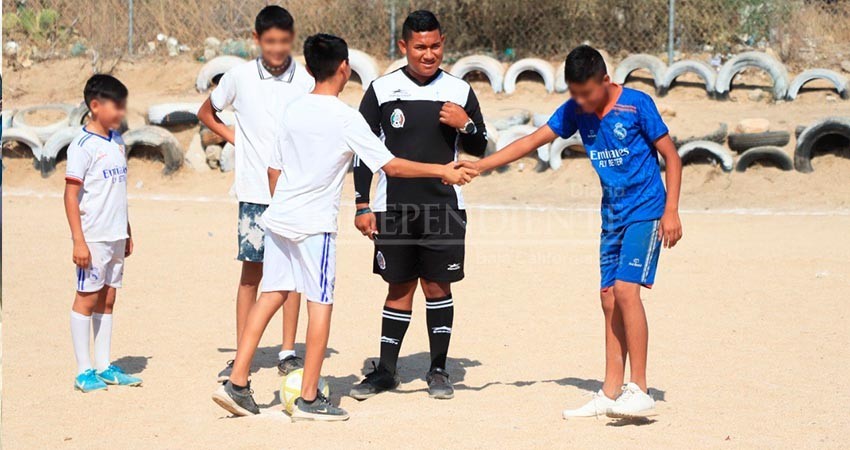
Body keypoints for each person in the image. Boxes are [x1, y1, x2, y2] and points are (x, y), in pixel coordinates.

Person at [210, 33, 479, 421]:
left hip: (279, 219)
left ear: (308, 69)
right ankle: (308, 398)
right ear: (344, 69)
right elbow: (391, 166)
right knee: (320, 304)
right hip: (314, 226)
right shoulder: (346, 118)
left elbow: (273, 169)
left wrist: (286, 205)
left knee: (270, 295)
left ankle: (237, 384)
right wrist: (442, 170)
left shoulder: (292, 109)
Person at [459, 45, 683, 418]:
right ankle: (611, 392)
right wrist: (481, 167)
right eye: (574, 93)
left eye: (586, 93)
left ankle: (641, 389)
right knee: (608, 297)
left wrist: (671, 210)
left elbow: (672, 157)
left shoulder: (637, 105)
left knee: (626, 291)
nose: (580, 101)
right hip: (612, 215)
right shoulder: (575, 111)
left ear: (605, 81)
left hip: (646, 210)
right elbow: (531, 141)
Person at [350, 10, 488, 401]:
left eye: (435, 46)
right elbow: (363, 151)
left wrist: (465, 123)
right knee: (398, 288)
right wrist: (362, 203)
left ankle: (438, 370)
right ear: (404, 46)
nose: (429, 54)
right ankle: (386, 371)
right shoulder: (381, 90)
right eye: (420, 47)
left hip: (444, 208)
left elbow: (479, 148)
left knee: (437, 287)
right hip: (393, 207)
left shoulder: (459, 91)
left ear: (443, 43)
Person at [197, 5, 314, 381]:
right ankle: (241, 353)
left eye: (283, 41)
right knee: (252, 273)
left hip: (293, 191)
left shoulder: (306, 81)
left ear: (292, 39)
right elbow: (206, 113)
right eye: (270, 41)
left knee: (293, 275)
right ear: (256, 39)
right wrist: (237, 139)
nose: (277, 49)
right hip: (254, 191)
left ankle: (288, 351)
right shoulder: (239, 77)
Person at [64, 74, 142, 392]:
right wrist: (79, 241)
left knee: (108, 298)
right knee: (87, 298)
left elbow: (117, 191)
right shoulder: (82, 147)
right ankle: (84, 371)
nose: (122, 112)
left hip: (115, 235)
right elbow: (71, 196)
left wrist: (127, 230)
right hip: (93, 237)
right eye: (117, 106)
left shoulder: (117, 141)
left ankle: (104, 365)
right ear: (95, 106)